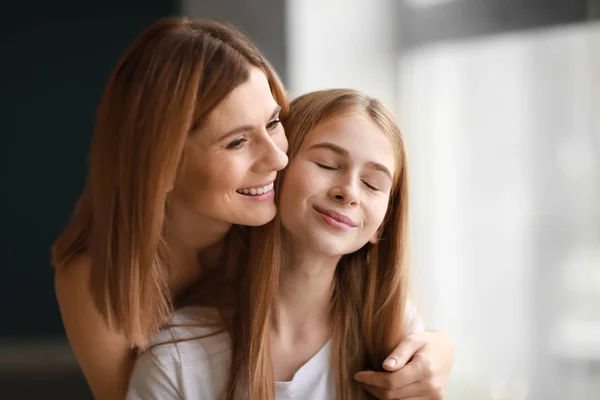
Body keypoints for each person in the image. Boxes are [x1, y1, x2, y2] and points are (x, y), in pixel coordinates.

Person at [127, 89, 451, 400]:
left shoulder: (395, 334)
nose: (349, 192)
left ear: (382, 224)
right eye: (326, 165)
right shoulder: (178, 356)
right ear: (273, 173)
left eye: (372, 184)